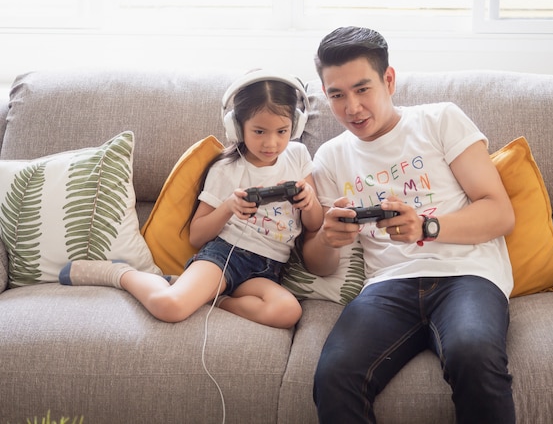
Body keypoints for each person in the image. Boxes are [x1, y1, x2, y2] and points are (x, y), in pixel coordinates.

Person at [302, 26, 516, 423]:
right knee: (333, 376)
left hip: (465, 276)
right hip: (387, 287)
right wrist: (328, 239)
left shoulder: (440, 120)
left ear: (389, 80)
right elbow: (320, 266)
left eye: (362, 89)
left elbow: (500, 212)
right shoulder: (329, 158)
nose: (351, 108)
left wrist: (426, 227)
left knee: (474, 352)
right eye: (336, 95)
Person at [60, 70, 323, 328]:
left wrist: (309, 201)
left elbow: (315, 223)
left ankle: (215, 301)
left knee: (287, 311)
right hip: (225, 257)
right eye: (259, 132)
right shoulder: (226, 169)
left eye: (282, 131)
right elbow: (196, 236)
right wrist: (229, 207)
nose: (272, 143)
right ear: (237, 127)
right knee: (170, 307)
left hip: (270, 267)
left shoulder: (298, 156)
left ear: (296, 125)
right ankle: (120, 273)